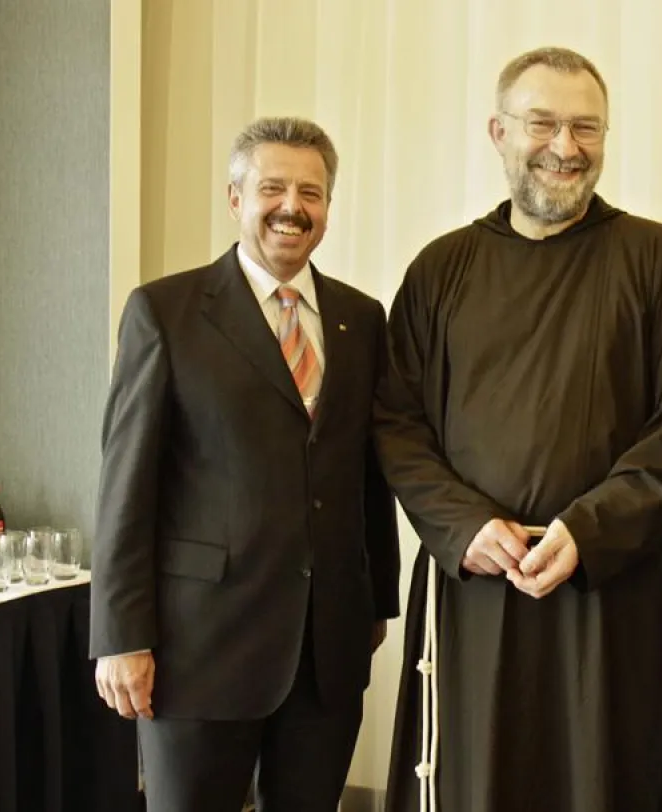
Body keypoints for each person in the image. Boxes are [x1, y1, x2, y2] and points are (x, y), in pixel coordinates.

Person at [376, 46, 662, 812]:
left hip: (610, 588)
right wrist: (463, 525)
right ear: (498, 133)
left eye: (586, 128)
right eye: (543, 124)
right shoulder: (441, 269)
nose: (566, 148)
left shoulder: (655, 258)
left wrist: (589, 530)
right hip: (474, 589)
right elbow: (397, 424)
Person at [90, 116, 401, 812]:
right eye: (273, 188)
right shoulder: (166, 313)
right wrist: (120, 636)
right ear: (236, 199)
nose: (293, 207)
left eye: (311, 192)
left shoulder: (362, 319)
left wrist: (376, 601)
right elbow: (126, 486)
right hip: (199, 650)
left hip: (326, 653)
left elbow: (368, 476)